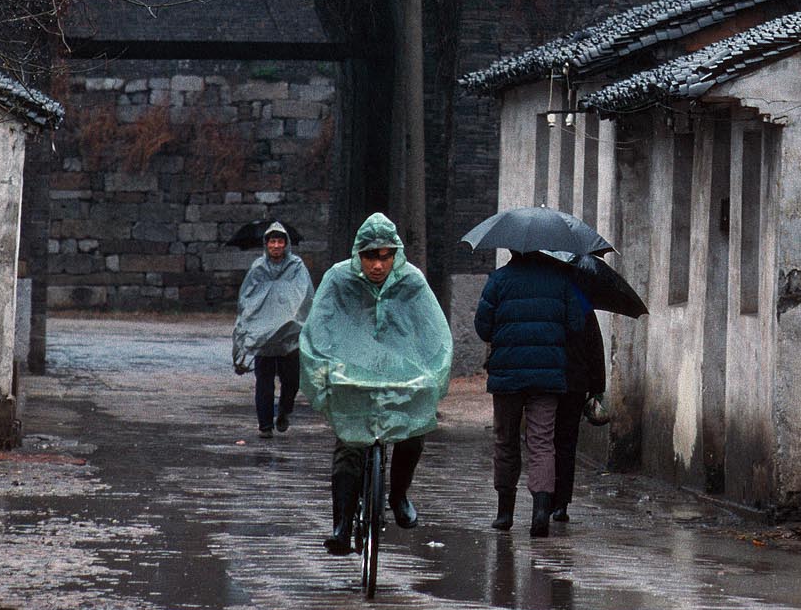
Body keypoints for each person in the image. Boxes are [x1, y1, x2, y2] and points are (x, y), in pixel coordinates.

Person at [299, 212, 453, 555]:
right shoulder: (338, 279)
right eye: (371, 256)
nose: (378, 265)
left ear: (395, 253)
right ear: (358, 254)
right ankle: (341, 525)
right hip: (351, 375)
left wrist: (433, 374)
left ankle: (398, 495)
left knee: (413, 432)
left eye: (385, 256)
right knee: (348, 446)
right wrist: (323, 373)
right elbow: (318, 329)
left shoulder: (411, 281)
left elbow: (435, 332)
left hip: (400, 374)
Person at [474, 250, 586, 538]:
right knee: (542, 441)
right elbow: (576, 324)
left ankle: (505, 512)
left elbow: (483, 327)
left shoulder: (498, 281)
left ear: (512, 249)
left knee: (506, 439)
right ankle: (540, 511)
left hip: (507, 374)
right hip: (548, 376)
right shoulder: (561, 281)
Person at [232, 221, 313, 438]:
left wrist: (293, 319)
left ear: (286, 244)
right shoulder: (258, 268)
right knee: (264, 381)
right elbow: (248, 298)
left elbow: (303, 296)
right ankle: (265, 425)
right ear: (266, 244)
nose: (276, 245)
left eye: (280, 241)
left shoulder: (296, 267)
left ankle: (285, 410)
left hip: (288, 334)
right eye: (272, 241)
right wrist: (248, 325)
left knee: (291, 380)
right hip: (264, 335)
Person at [553, 298, 607, 525]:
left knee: (543, 442)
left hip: (547, 380)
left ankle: (544, 498)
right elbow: (595, 346)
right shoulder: (582, 302)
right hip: (575, 383)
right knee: (566, 444)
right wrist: (597, 389)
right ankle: (561, 503)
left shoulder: (547, 297)